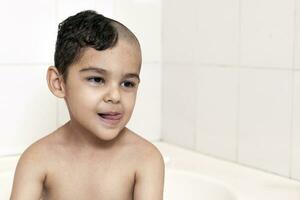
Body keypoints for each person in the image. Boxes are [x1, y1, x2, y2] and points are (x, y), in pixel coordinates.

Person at [10, 10, 165, 200]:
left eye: (127, 83)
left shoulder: (144, 159)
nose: (115, 96)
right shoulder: (38, 160)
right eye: (97, 79)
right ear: (59, 83)